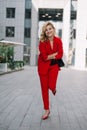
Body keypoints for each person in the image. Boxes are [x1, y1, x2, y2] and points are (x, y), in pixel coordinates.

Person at [37, 22, 63, 120]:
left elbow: (60, 54)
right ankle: (47, 110)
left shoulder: (58, 41)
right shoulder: (42, 42)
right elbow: (43, 57)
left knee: (51, 85)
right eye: (46, 30)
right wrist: (53, 55)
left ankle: (53, 88)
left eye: (50, 29)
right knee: (44, 89)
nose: (48, 31)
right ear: (45, 32)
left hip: (54, 66)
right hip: (43, 67)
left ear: (53, 29)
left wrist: (50, 56)